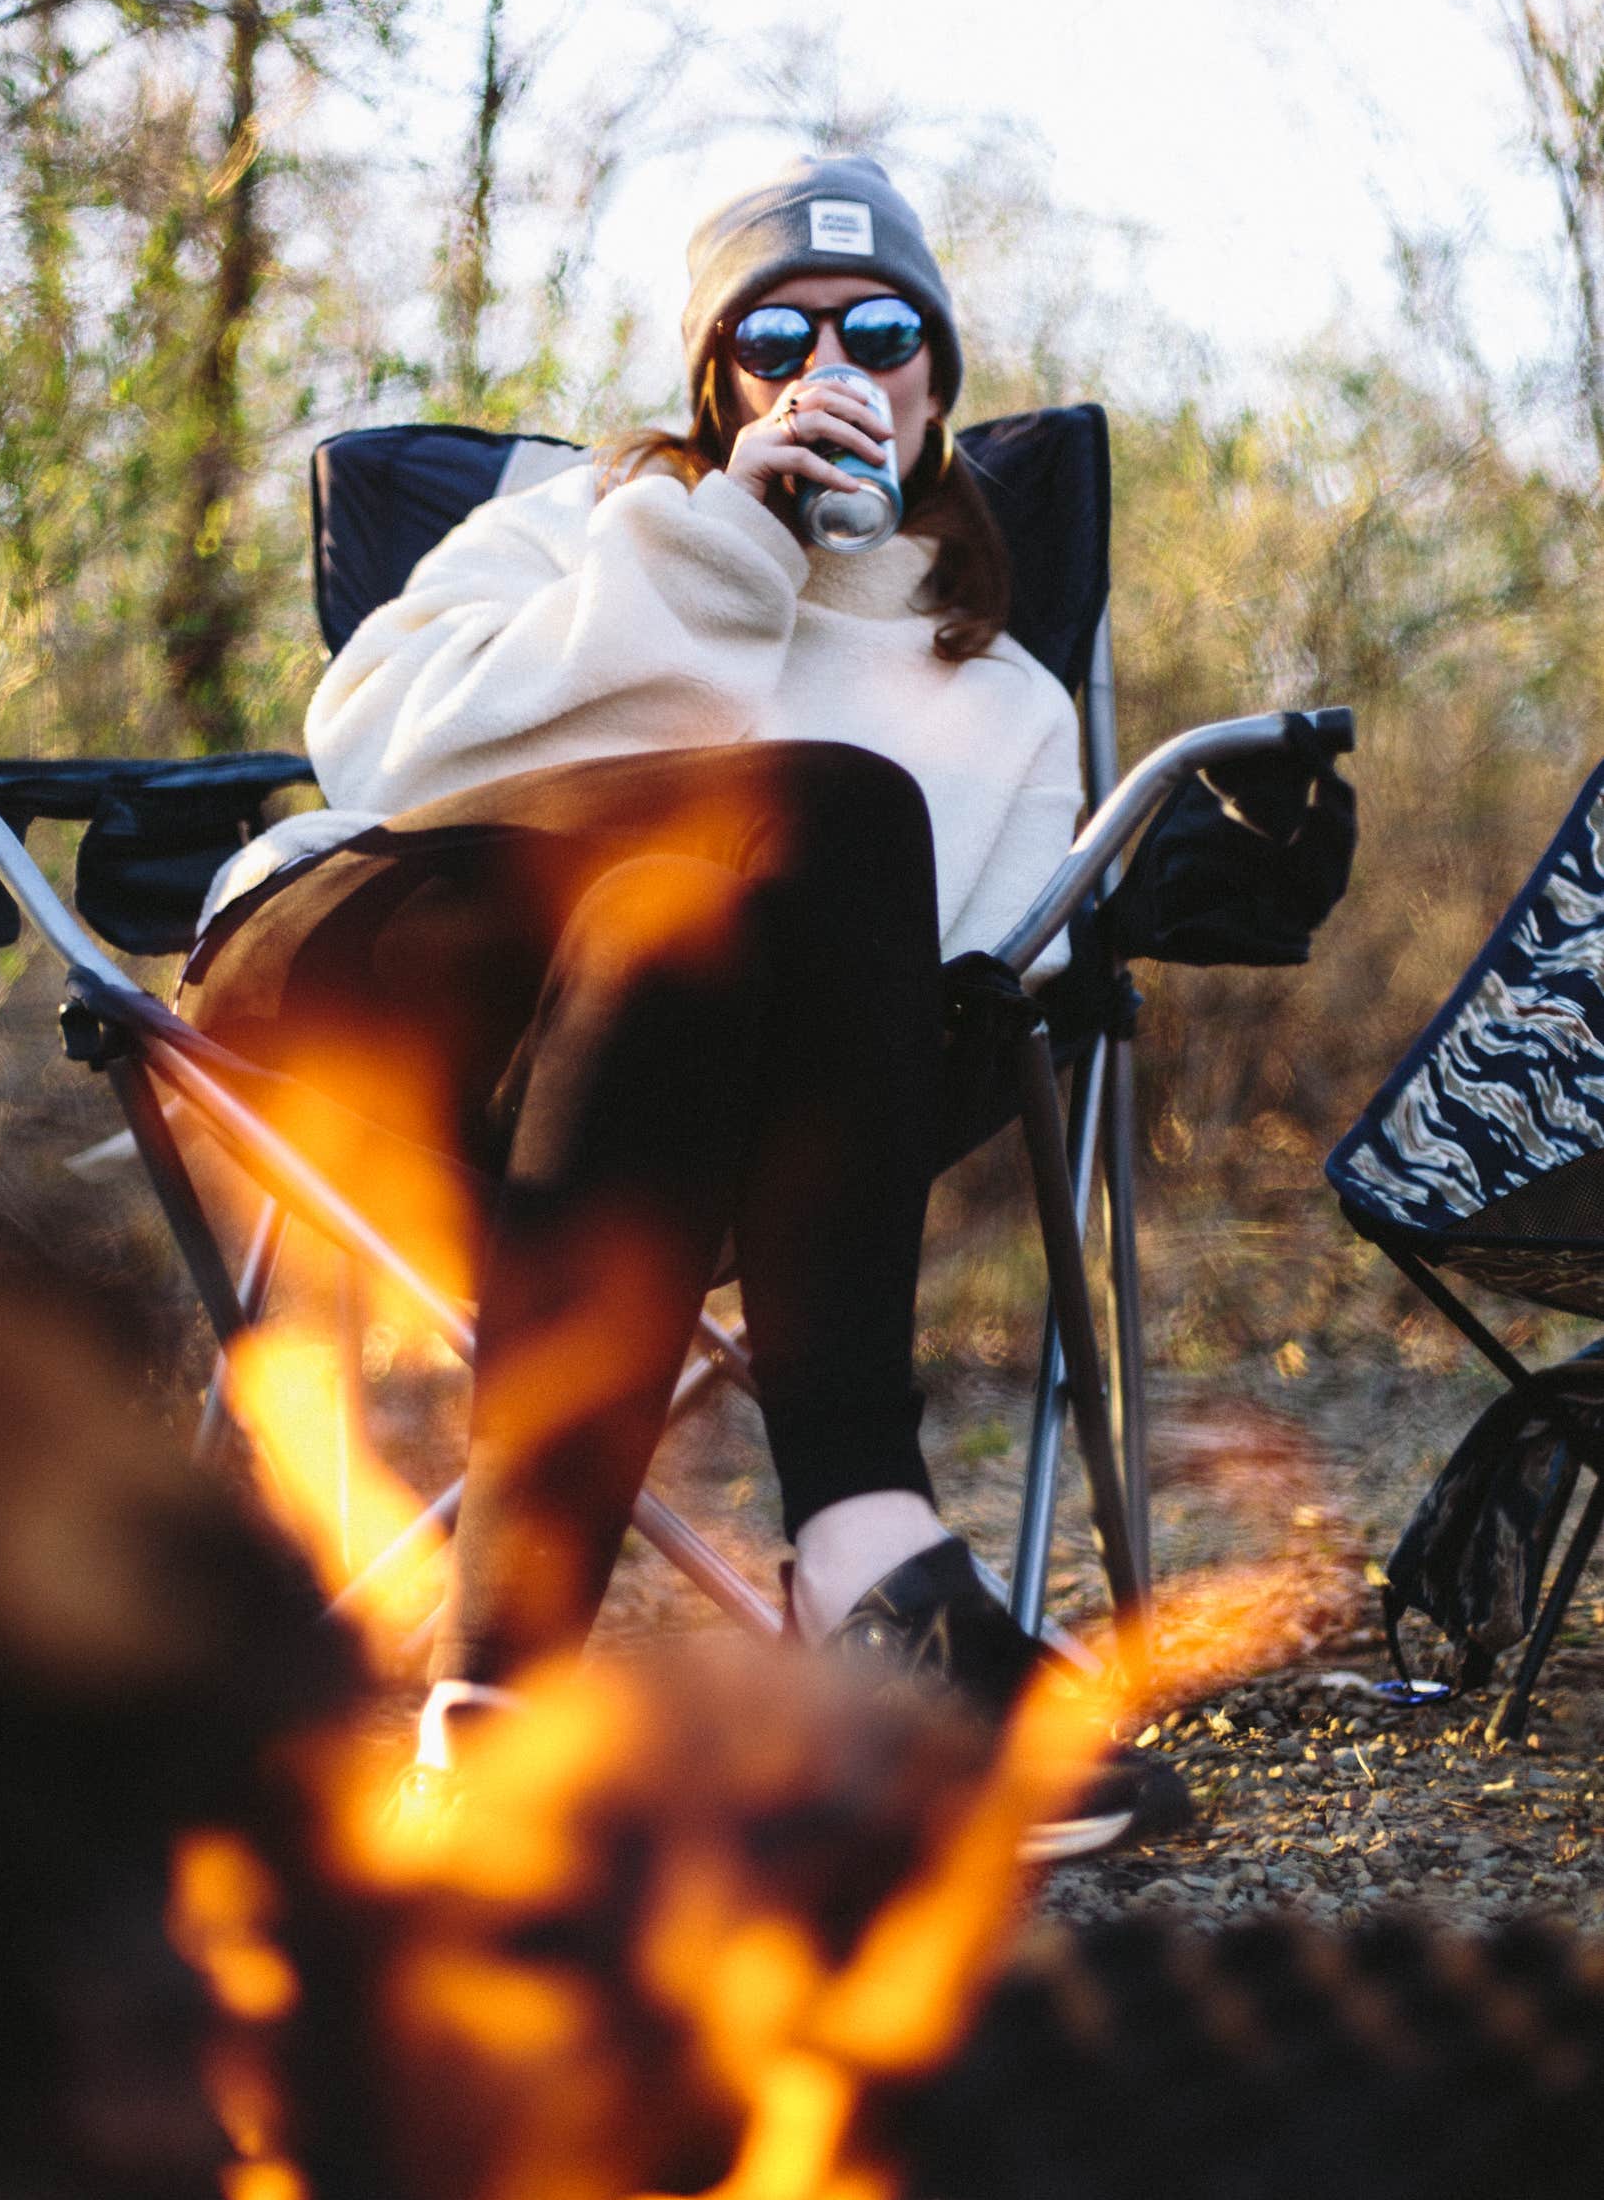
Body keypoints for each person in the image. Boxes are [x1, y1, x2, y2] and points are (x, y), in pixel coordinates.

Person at [182, 155, 1184, 1849]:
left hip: (651, 1096)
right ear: (715, 388)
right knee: (830, 805)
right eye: (774, 343)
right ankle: (870, 1547)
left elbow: (932, 997)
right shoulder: (577, 524)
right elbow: (384, 753)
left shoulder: (998, 692)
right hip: (376, 969)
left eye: (880, 333)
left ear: (940, 379)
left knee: (681, 927)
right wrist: (724, 551)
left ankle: (494, 1699)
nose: (832, 373)